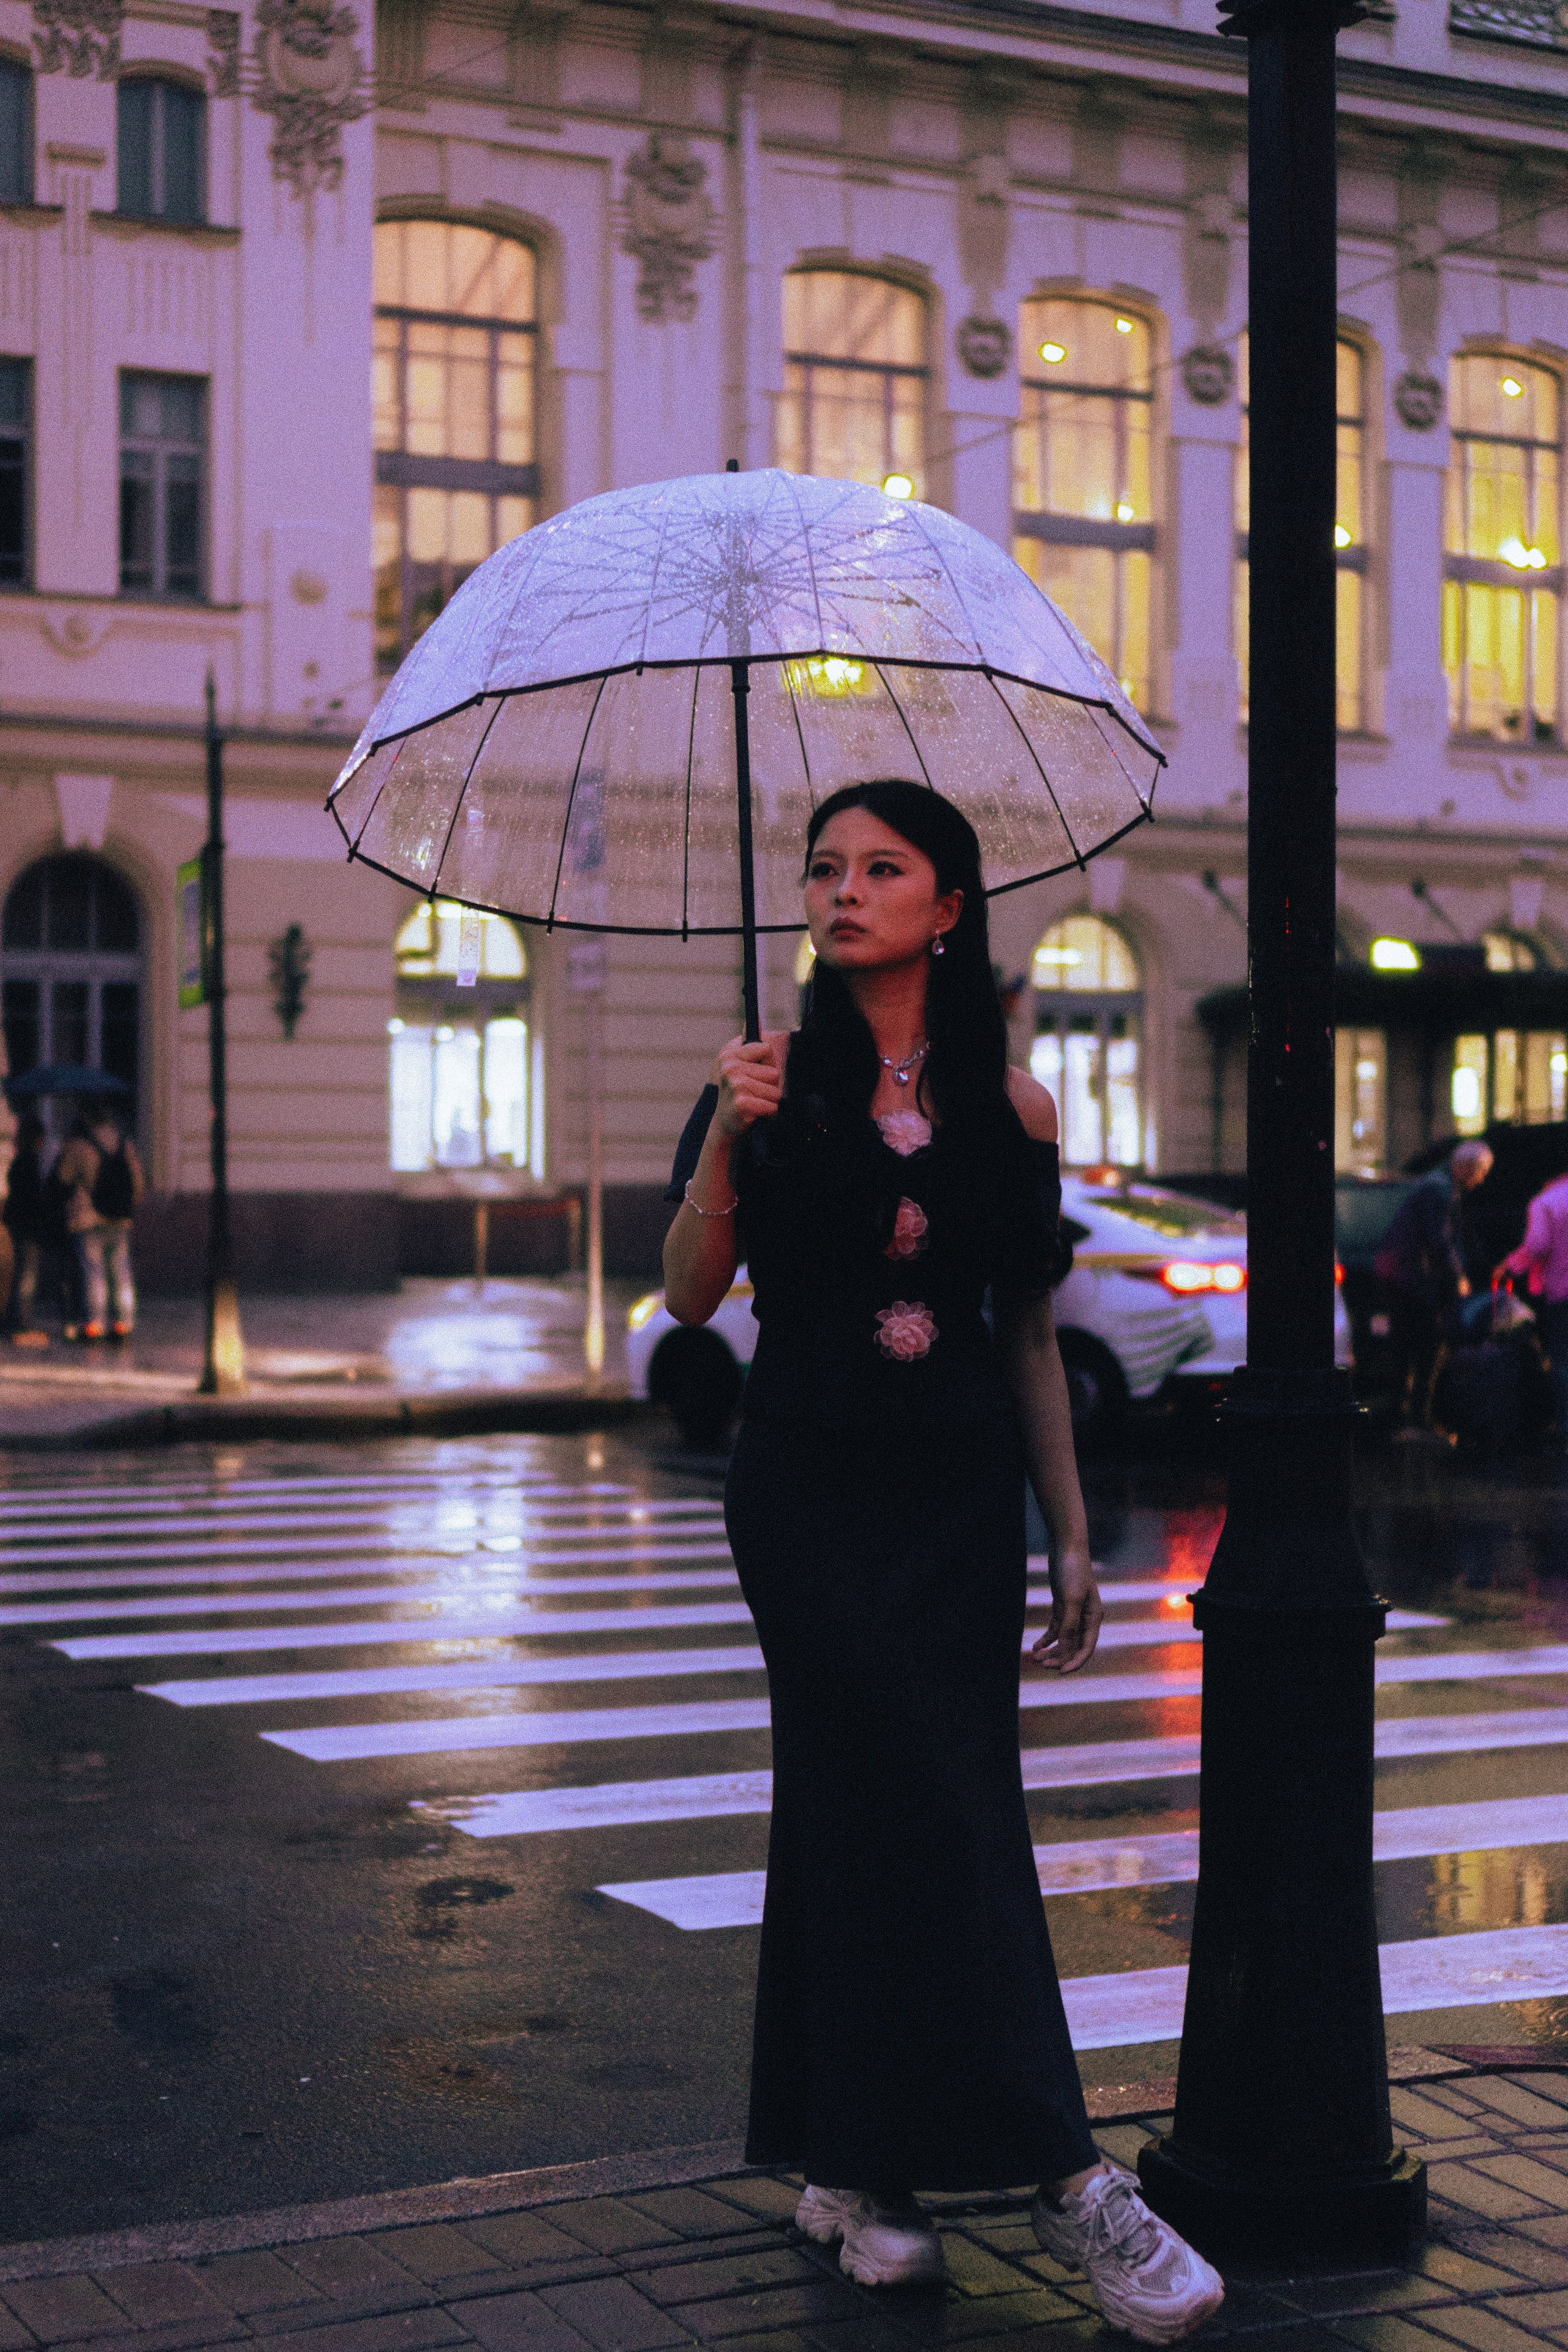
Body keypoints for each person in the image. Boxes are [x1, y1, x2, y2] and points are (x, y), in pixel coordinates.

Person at [663, 781, 1223, 2340]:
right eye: (823, 867)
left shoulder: (1018, 1110)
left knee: (878, 1810)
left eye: (879, 867)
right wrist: (726, 1125)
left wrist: (1066, 1529)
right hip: (807, 1495)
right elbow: (694, 1292)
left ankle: (861, 2170)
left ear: (948, 904)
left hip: (959, 1501)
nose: (842, 889)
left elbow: (1025, 1328)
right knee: (933, 1805)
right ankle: (1067, 2178)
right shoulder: (770, 1083)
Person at [1374, 1139, 1493, 1442]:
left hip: (1401, 1276)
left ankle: (1401, 1421)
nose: (1481, 1181)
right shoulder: (1440, 1190)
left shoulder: (1437, 1185)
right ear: (1467, 1167)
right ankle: (1417, 1422)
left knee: (1405, 1346)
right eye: (1482, 1173)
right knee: (1430, 1346)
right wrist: (1459, 1277)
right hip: (1411, 1279)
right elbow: (1439, 1240)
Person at [53, 1100, 143, 1341]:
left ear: (85, 1116)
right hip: (120, 1219)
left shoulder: (79, 1146)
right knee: (121, 1271)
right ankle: (123, 1324)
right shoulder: (125, 1144)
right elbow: (138, 1183)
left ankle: (95, 1324)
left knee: (94, 1272)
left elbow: (62, 1179)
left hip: (88, 1219)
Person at [1501, 1164, 1568, 1445]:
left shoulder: (1546, 1202)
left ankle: (1565, 1427)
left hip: (1563, 1293)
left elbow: (1538, 1245)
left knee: (1563, 1359)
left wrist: (1509, 1266)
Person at [2, 1112, 52, 1347]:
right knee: (24, 1279)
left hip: (16, 1229)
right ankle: (18, 1322)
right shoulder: (30, 1164)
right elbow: (32, 1203)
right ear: (38, 1139)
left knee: (16, 1277)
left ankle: (14, 1320)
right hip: (27, 1233)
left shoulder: (17, 1163)